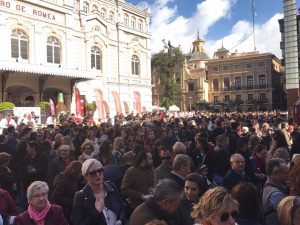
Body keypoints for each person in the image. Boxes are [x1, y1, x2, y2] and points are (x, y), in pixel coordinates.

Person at [72, 159, 127, 225]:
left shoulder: (111, 186)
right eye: (93, 173)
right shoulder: (80, 197)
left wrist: (120, 220)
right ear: (86, 176)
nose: (98, 174)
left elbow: (123, 207)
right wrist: (96, 212)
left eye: (100, 171)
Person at [261, 158, 289, 225]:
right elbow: (291, 214)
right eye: (286, 173)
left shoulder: (278, 187)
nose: (288, 175)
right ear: (276, 173)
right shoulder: (274, 194)